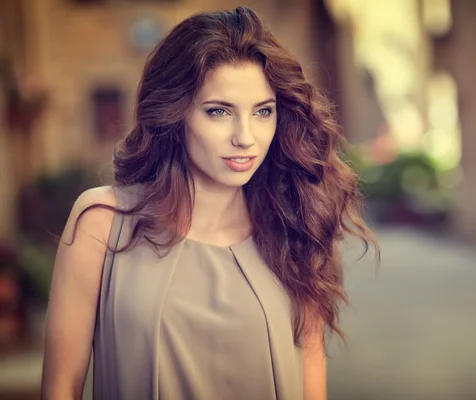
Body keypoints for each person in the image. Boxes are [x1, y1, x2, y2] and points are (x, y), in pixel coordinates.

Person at [41, 6, 379, 400]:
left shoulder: (294, 228)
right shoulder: (102, 222)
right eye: (219, 111)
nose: (245, 137)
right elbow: (61, 387)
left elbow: (310, 391)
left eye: (263, 111)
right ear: (175, 112)